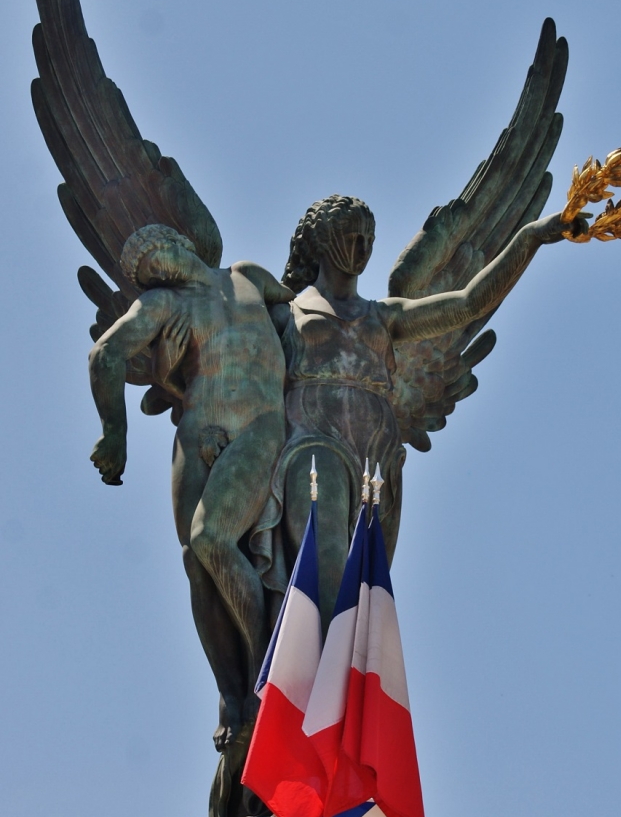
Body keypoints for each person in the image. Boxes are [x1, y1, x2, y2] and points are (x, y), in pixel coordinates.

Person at [259, 194, 580, 634]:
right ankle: (319, 683)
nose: (361, 247)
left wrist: (529, 239)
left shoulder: (384, 316)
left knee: (365, 590)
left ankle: (348, 687)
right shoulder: (283, 313)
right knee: (328, 561)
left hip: (377, 455)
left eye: (368, 237)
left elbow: (468, 303)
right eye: (348, 236)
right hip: (312, 439)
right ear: (320, 240)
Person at [88, 223, 292, 751]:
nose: (156, 270)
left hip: (259, 426)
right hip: (199, 430)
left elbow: (303, 317)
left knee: (210, 539)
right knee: (195, 565)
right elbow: (104, 355)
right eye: (146, 271)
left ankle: (270, 671)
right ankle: (233, 694)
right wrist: (117, 433)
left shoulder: (248, 277)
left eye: (156, 256)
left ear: (180, 245)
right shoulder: (162, 305)